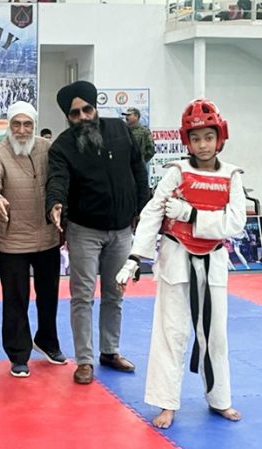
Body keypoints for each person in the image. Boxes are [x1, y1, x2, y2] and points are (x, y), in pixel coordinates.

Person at [116, 98, 245, 429]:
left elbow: (235, 224)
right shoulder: (177, 173)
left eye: (209, 137)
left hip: (213, 261)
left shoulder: (232, 176)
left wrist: (192, 215)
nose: (203, 145)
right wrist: (134, 259)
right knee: (169, 333)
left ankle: (220, 400)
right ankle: (166, 403)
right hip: (175, 258)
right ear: (187, 140)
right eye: (196, 138)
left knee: (214, 335)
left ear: (220, 137)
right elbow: (152, 214)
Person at [45, 80, 149, 385]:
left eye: (86, 110)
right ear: (68, 116)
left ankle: (110, 351)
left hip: (121, 230)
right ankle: (85, 361)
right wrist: (55, 203)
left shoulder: (120, 130)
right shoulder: (63, 146)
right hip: (84, 231)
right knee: (82, 296)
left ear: (95, 108)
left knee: (115, 293)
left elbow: (138, 169)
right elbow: (57, 180)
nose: (82, 117)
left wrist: (144, 207)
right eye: (74, 114)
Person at [0, 101, 66, 378]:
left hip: (48, 237)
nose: (21, 130)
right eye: (16, 124)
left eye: (27, 124)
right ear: (8, 125)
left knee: (49, 296)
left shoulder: (47, 148)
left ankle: (47, 341)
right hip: (13, 240)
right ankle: (18, 354)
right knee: (15, 299)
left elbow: (61, 178)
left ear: (34, 125)